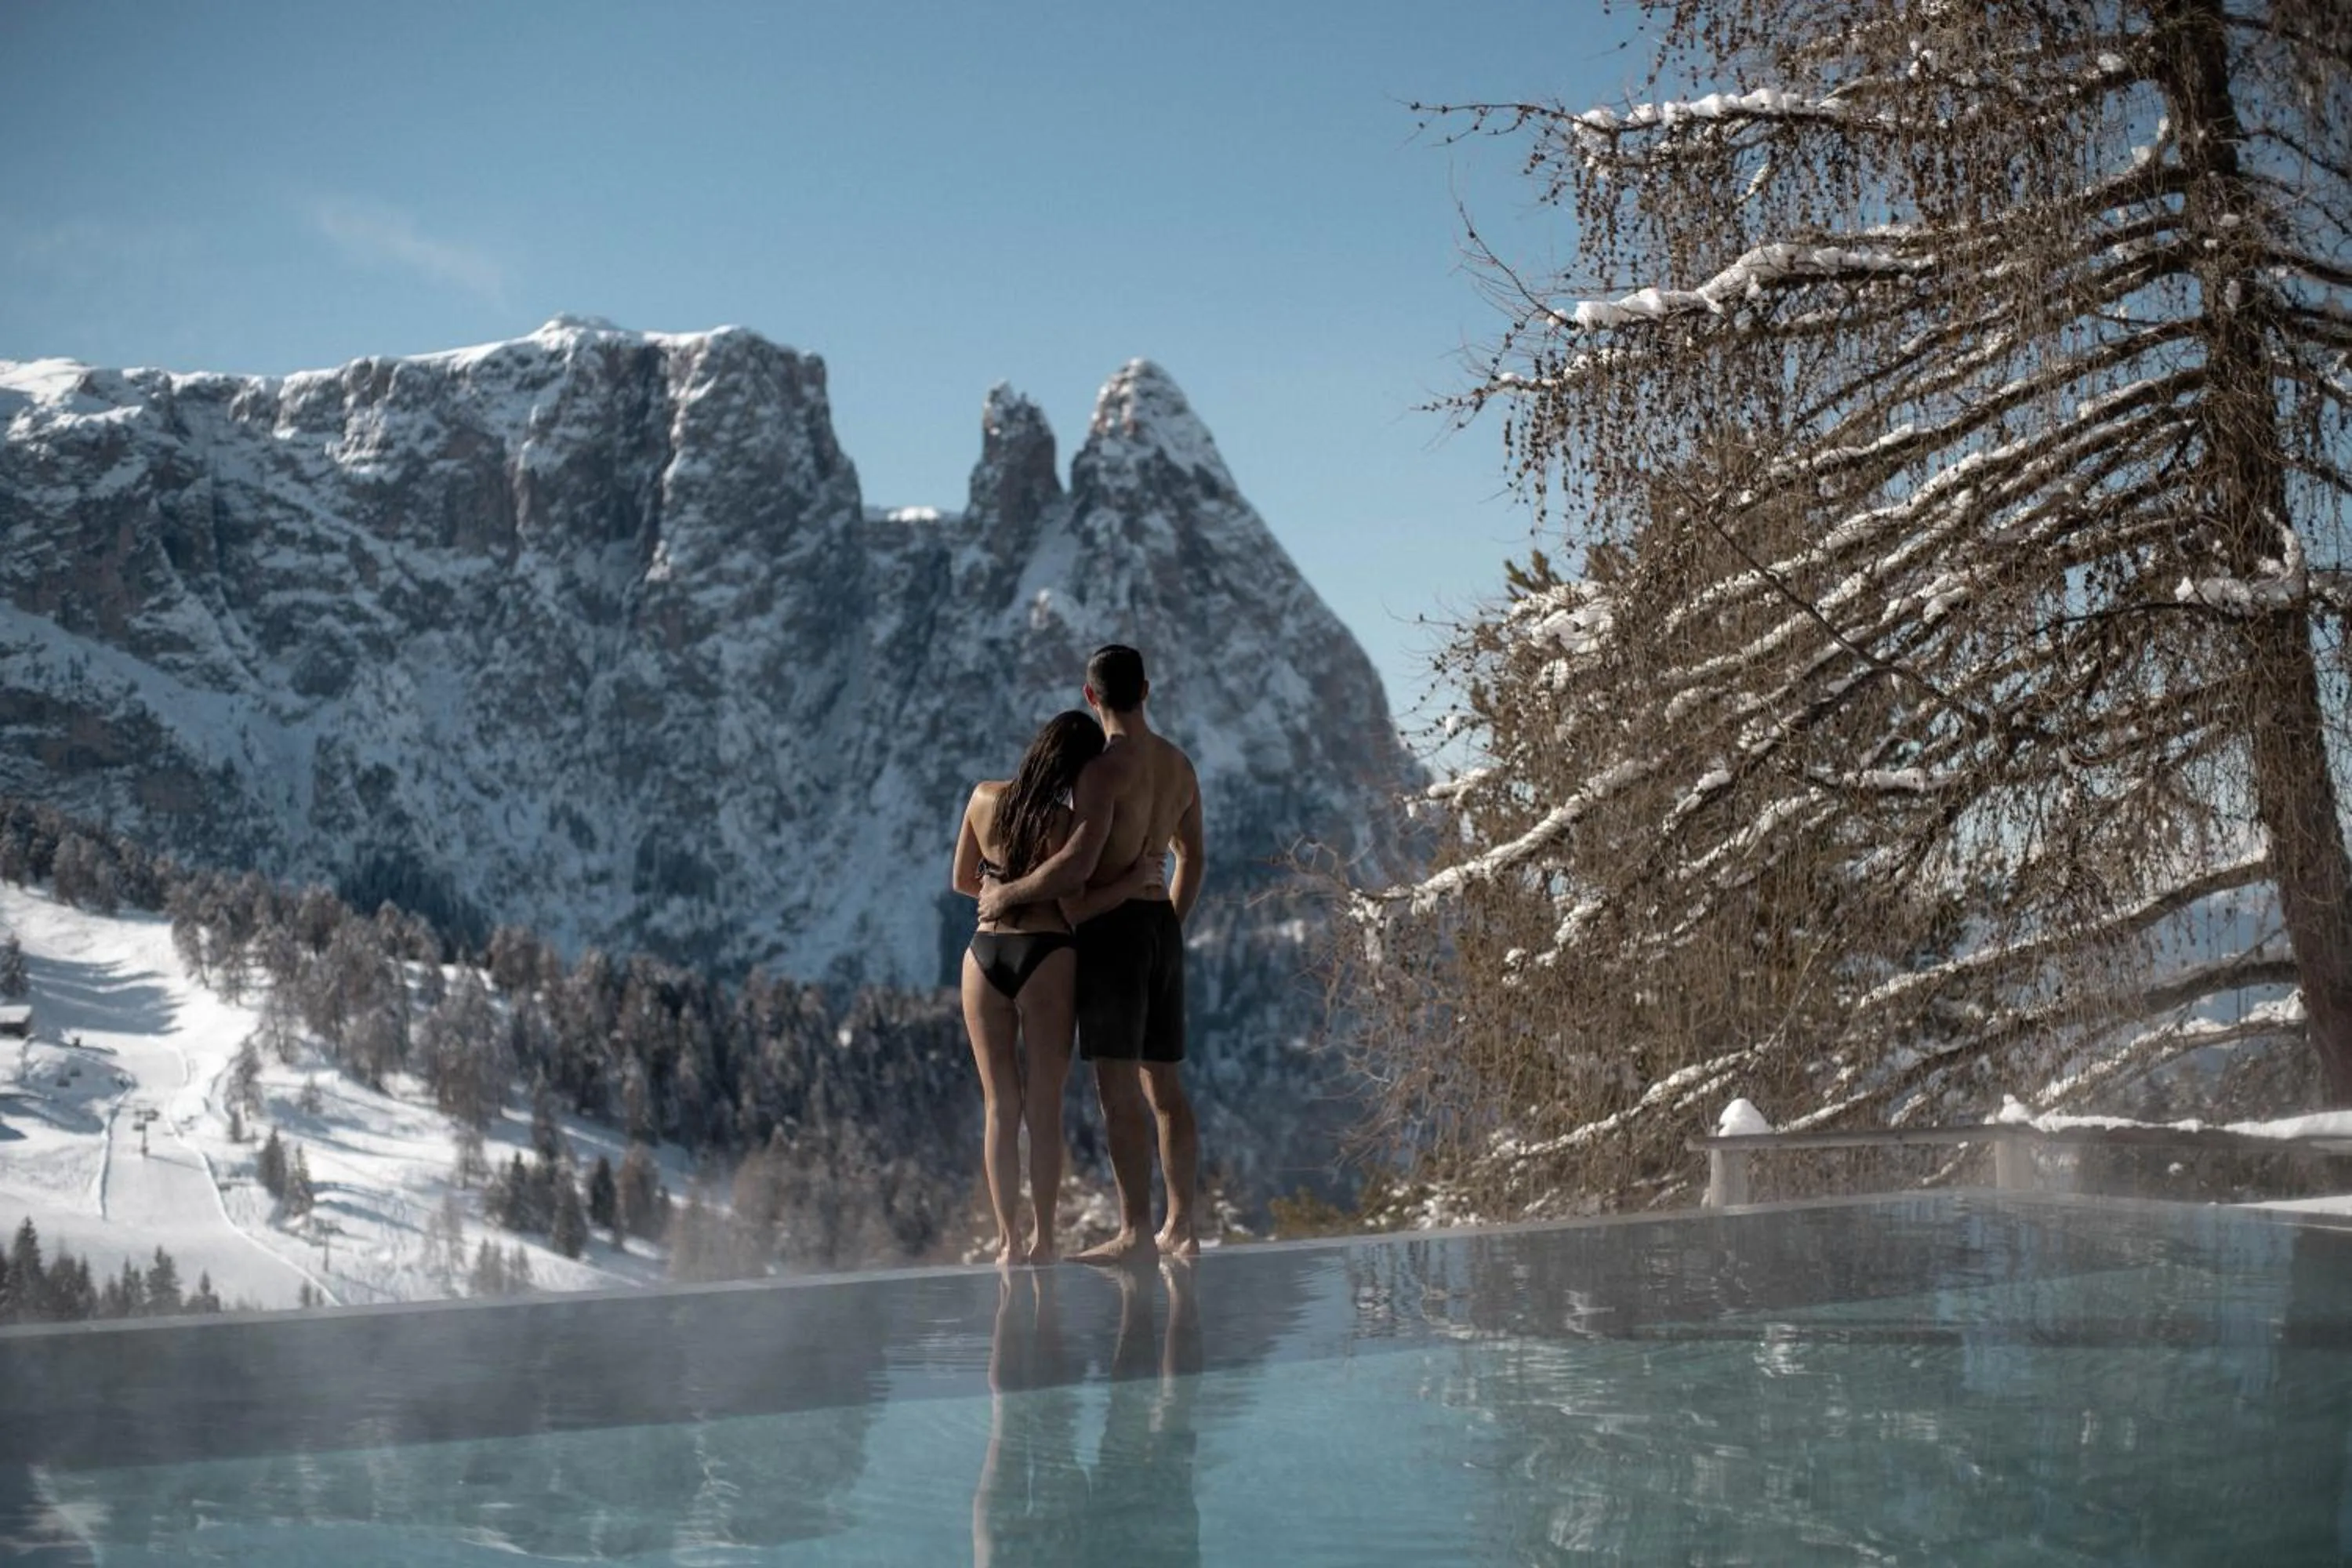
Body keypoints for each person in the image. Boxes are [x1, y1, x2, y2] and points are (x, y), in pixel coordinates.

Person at [978, 645, 1205, 1262]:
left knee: (1117, 1089)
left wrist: (1005, 895)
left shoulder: (1104, 770)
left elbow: (1077, 864)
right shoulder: (1179, 766)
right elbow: (1194, 858)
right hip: (1159, 927)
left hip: (1115, 931)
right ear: (1147, 690)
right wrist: (1169, 925)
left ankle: (1135, 1231)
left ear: (1090, 697)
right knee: (1166, 1085)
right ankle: (1182, 1226)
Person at [954, 711, 1160, 1266]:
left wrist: (998, 887)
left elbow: (959, 880)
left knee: (1000, 1106)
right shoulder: (1062, 823)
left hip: (982, 954)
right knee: (1044, 1104)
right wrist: (1132, 881)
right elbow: (1078, 906)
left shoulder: (982, 798)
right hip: (1045, 954)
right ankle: (1044, 1240)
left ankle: (1007, 1243)